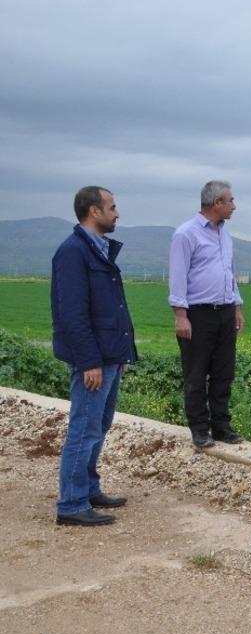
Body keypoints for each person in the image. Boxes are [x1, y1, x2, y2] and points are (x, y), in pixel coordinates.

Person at [50, 186, 137, 526]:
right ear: (94, 211)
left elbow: (110, 309)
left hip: (109, 356)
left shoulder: (97, 250)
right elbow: (72, 313)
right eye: (112, 207)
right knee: (84, 429)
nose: (117, 213)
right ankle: (71, 504)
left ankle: (86, 488)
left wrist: (121, 355)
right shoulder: (73, 252)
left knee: (98, 426)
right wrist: (88, 362)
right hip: (93, 359)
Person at [168, 180, 246, 448]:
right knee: (196, 373)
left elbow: (229, 273)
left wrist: (236, 307)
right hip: (198, 314)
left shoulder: (225, 234)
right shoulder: (186, 234)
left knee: (224, 372)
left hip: (224, 312)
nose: (234, 206)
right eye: (231, 201)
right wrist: (180, 315)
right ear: (217, 204)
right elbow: (178, 277)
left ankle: (221, 426)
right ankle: (200, 429)